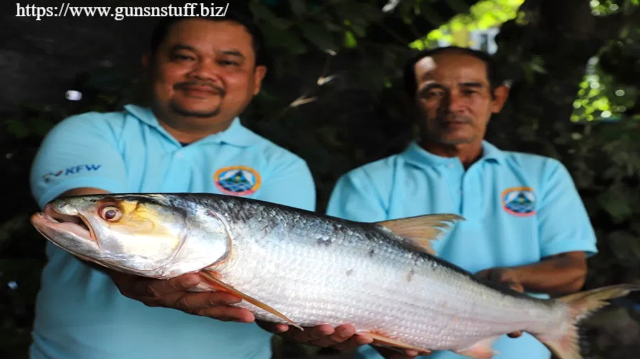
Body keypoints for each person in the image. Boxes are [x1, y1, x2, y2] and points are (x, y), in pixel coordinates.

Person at [28, 13, 334, 359]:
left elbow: (282, 283)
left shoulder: (284, 167)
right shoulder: (90, 131)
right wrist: (124, 264)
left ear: (256, 78)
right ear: (150, 64)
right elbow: (79, 206)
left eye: (227, 61)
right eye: (184, 57)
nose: (203, 72)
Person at [326, 46, 598, 359]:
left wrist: (510, 278)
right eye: (434, 92)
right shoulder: (364, 182)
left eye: (470, 91)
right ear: (410, 101)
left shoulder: (543, 173)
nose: (453, 106)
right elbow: (347, 287)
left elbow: (573, 272)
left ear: (497, 99)